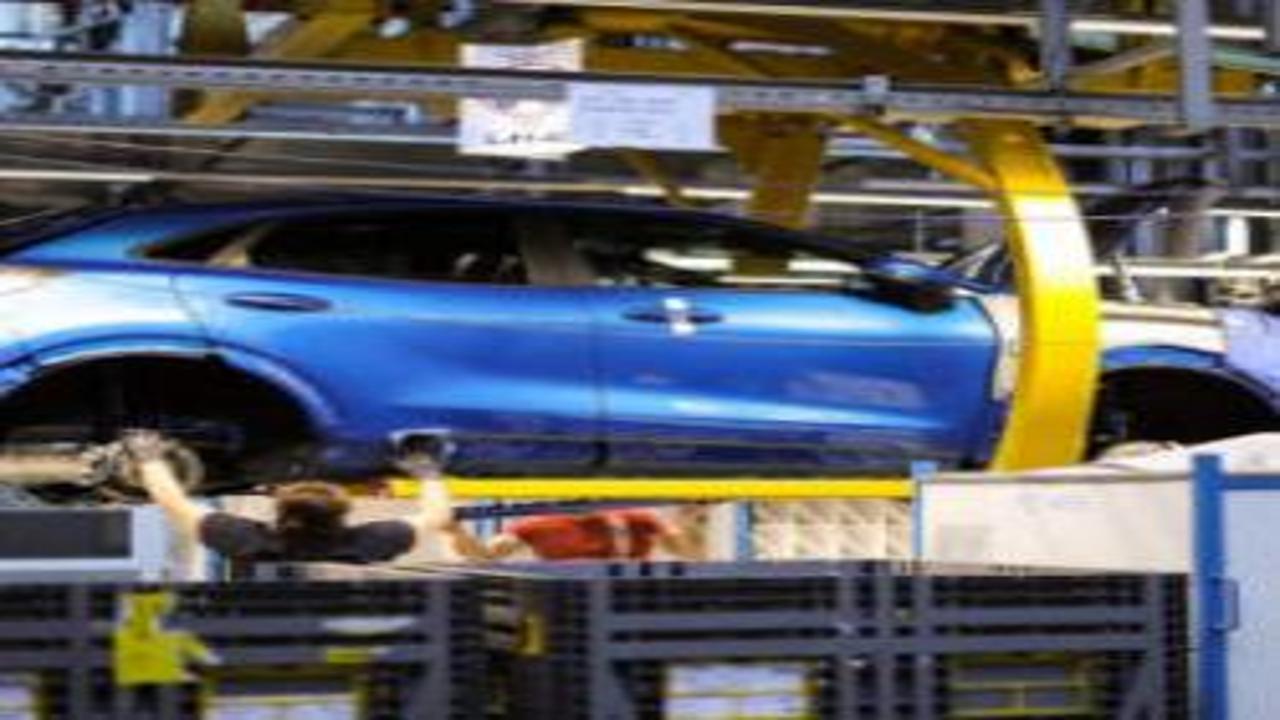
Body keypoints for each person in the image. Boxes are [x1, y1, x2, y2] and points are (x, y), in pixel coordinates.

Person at [120, 430, 451, 564]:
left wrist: (148, 456)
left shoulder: (365, 545)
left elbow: (173, 502)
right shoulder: (247, 542)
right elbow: (172, 503)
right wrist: (147, 454)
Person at [412, 466, 707, 562]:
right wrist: (455, 531)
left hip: (630, 612)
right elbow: (485, 556)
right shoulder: (537, 525)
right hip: (569, 612)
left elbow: (692, 554)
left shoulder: (637, 519)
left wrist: (692, 519)